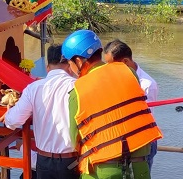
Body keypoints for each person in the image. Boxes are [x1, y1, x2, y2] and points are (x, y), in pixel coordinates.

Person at [62, 29, 162, 179]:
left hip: (103, 170)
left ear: (78, 61)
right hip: (139, 167)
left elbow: (74, 138)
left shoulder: (77, 90)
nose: (71, 69)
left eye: (70, 63)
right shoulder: (129, 72)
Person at [1, 44, 79, 179]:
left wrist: (8, 113)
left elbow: (13, 121)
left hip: (43, 161)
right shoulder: (78, 86)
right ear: (70, 65)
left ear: (48, 68)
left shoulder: (34, 88)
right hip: (71, 161)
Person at [103, 39, 159, 170]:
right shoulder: (112, 79)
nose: (107, 68)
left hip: (142, 142)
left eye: (110, 64)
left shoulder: (147, 84)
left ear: (125, 62)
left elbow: (142, 118)